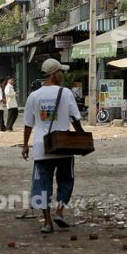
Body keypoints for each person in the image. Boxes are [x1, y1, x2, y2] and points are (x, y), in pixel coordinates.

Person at [22, 59, 85, 234]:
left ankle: (48, 222)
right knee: (66, 181)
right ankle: (59, 211)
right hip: (64, 145)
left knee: (42, 185)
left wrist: (26, 145)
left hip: (42, 147)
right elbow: (75, 118)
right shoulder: (66, 93)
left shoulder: (33, 96)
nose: (62, 75)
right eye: (61, 72)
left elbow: (28, 124)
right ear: (54, 74)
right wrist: (81, 136)